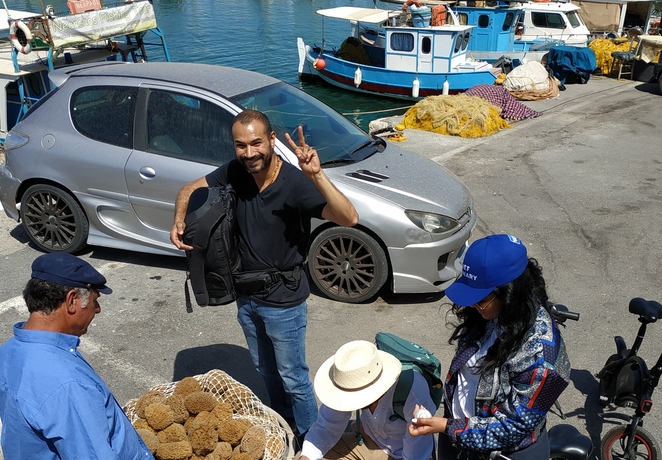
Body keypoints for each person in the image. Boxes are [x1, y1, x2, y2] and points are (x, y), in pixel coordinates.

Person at [170, 110, 358, 439]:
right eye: (240, 145)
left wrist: (317, 175)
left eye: (256, 143)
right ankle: (287, 428)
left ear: (271, 140)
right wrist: (180, 220)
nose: (249, 152)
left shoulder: (296, 183)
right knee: (267, 373)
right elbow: (187, 189)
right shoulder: (234, 171)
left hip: (284, 301)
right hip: (246, 297)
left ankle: (315, 441)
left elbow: (349, 218)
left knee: (294, 379)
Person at [409, 234, 570, 460]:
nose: (473, 306)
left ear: (510, 292)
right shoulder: (488, 314)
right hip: (456, 437)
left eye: (480, 299)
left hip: (504, 454)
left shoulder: (543, 357)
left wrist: (448, 427)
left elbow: (513, 427)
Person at [0, 253, 154, 460]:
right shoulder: (67, 385)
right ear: (72, 300)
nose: (97, 310)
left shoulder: (10, 349)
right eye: (94, 301)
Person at [300, 340, 436, 460]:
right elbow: (326, 426)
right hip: (366, 439)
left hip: (404, 452)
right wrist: (307, 456)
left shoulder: (413, 389)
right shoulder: (347, 379)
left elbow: (417, 453)